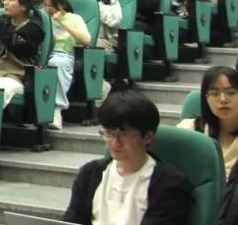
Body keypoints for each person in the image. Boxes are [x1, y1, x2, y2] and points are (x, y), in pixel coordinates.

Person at [63, 89, 191, 225]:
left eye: (124, 134)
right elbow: (72, 220)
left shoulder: (170, 184)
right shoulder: (90, 173)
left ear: (148, 137)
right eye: (109, 133)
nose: (115, 142)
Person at [177, 65, 238, 182]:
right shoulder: (190, 129)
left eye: (230, 92)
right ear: (206, 99)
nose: (223, 99)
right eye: (215, 94)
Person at [41, 0, 90, 130]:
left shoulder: (74, 18)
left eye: (52, 6)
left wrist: (62, 22)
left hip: (65, 55)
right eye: (45, 5)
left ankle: (56, 110)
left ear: (61, 3)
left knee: (57, 63)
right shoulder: (43, 19)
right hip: (45, 55)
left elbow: (86, 40)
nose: (48, 9)